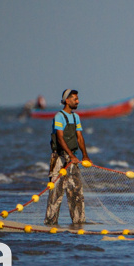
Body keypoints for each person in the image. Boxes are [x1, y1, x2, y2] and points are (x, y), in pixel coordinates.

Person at [45, 89, 88, 226]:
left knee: (76, 192)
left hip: (73, 160)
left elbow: (80, 137)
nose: (78, 101)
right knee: (56, 193)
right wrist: (70, 155)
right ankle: (51, 223)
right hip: (59, 159)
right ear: (67, 100)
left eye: (77, 98)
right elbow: (60, 137)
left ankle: (78, 223)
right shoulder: (59, 116)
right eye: (75, 99)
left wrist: (85, 156)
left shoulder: (76, 117)